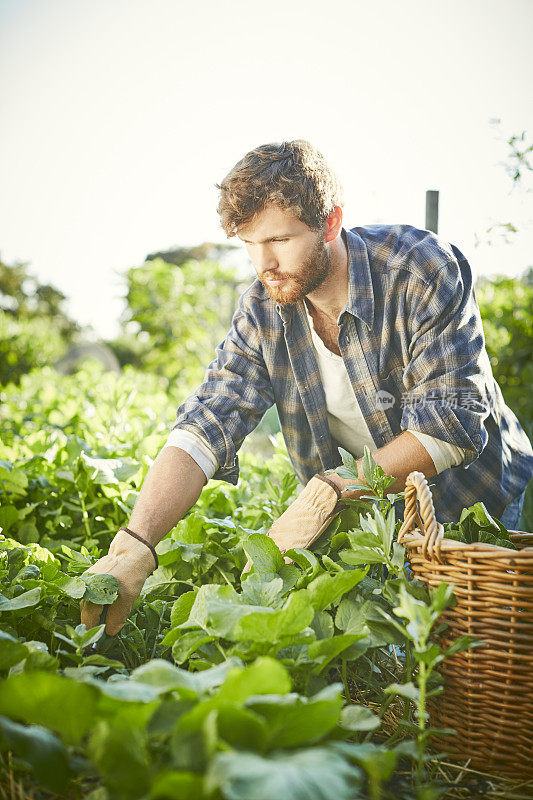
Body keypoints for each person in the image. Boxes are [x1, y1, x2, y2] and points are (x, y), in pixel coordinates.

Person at [80, 139, 533, 636]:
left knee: (470, 658)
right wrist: (133, 547)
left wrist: (331, 489)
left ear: (331, 221)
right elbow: (207, 423)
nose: (263, 265)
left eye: (278, 241)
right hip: (369, 512)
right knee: (389, 662)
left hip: (472, 497)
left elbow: (451, 426)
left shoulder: (421, 270)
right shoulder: (262, 308)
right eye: (249, 244)